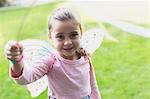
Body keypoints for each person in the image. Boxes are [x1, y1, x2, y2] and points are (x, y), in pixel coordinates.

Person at [5, 8, 101, 99]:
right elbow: (26, 78)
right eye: (60, 37)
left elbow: (92, 84)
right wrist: (16, 61)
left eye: (73, 35)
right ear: (50, 37)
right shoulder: (51, 61)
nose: (67, 42)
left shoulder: (84, 57)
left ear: (81, 33)